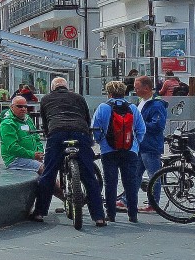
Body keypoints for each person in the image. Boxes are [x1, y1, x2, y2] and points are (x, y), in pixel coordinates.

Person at [33, 77, 105, 225]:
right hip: (80, 132)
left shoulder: (46, 99)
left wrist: (48, 134)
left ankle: (40, 212)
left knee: (49, 173)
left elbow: (46, 122)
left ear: (53, 88)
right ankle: (99, 217)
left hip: (57, 132)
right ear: (67, 87)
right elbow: (86, 118)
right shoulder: (78, 97)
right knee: (89, 175)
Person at [92, 81, 145, 222]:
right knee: (130, 183)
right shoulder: (133, 108)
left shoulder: (103, 107)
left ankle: (111, 214)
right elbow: (141, 129)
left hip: (108, 151)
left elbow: (95, 128)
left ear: (109, 93)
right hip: (130, 150)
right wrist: (135, 144)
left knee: (111, 182)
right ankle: (133, 215)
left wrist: (101, 141)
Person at [132, 75, 167, 214]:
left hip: (150, 146)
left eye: (137, 87)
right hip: (140, 145)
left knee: (154, 176)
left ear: (146, 88)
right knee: (135, 174)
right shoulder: (141, 102)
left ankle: (154, 204)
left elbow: (158, 125)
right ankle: (129, 200)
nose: (134, 89)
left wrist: (138, 126)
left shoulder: (157, 104)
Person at [0, 97, 43, 172]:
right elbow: (12, 147)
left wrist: (40, 153)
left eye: (25, 106)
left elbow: (37, 138)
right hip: (15, 159)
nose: (23, 109)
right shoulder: (7, 124)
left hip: (32, 157)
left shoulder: (28, 119)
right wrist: (33, 155)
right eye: (19, 106)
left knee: (52, 165)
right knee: (45, 169)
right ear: (12, 107)